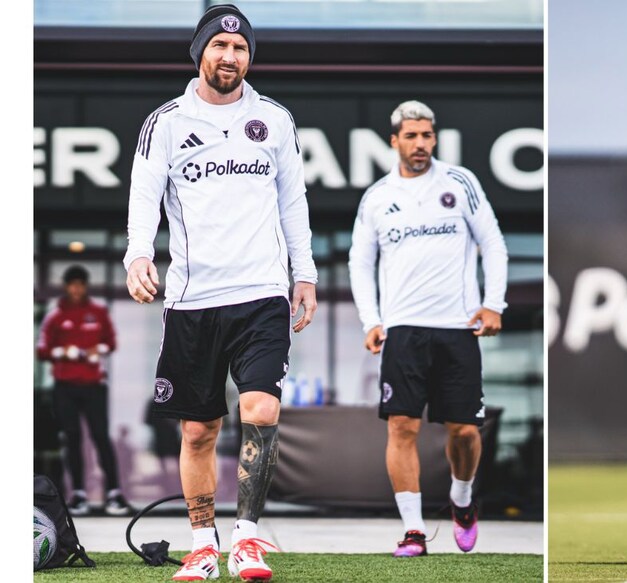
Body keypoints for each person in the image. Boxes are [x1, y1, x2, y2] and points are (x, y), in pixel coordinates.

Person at [123, 4, 317, 580]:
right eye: (219, 47)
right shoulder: (166, 122)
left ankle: (247, 541)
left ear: (248, 57)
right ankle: (204, 544)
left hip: (261, 293)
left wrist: (302, 273)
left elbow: (293, 203)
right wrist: (138, 253)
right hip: (192, 297)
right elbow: (144, 196)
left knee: (260, 407)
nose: (230, 57)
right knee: (199, 429)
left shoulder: (276, 121)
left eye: (240, 49)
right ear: (200, 53)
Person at [349, 100, 508, 557]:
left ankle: (461, 498)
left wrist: (492, 304)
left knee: (464, 432)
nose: (421, 144)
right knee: (401, 427)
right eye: (412, 136)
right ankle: (414, 531)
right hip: (402, 330)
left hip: (456, 327)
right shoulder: (377, 197)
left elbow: (492, 242)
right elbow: (360, 261)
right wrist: (372, 319)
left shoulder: (460, 183)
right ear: (394, 140)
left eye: (428, 136)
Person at [36, 265, 133, 517]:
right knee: (72, 438)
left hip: (93, 385)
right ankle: (78, 493)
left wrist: (96, 349)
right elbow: (42, 349)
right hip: (65, 387)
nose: (76, 288)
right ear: (67, 286)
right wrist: (63, 351)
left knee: (101, 436)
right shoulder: (56, 314)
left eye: (81, 284)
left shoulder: (98, 312)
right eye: (72, 284)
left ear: (85, 286)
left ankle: (114, 494)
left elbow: (110, 343)